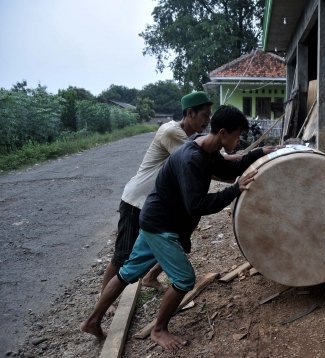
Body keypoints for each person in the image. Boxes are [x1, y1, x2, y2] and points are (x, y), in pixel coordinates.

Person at [81, 105, 280, 350]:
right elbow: (196, 205)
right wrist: (234, 190)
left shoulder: (204, 145)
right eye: (237, 135)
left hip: (154, 216)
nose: (239, 141)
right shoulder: (192, 159)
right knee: (184, 279)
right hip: (161, 225)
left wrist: (257, 153)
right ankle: (158, 330)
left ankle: (91, 321)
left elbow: (227, 169)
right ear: (223, 132)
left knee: (127, 272)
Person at [101, 91, 223, 315]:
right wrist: (238, 167)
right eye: (204, 115)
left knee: (174, 243)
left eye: (209, 116)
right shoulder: (172, 132)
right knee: (122, 256)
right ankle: (105, 299)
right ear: (189, 113)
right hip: (137, 201)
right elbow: (206, 166)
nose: (208, 120)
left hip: (159, 204)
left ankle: (150, 277)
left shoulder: (190, 138)